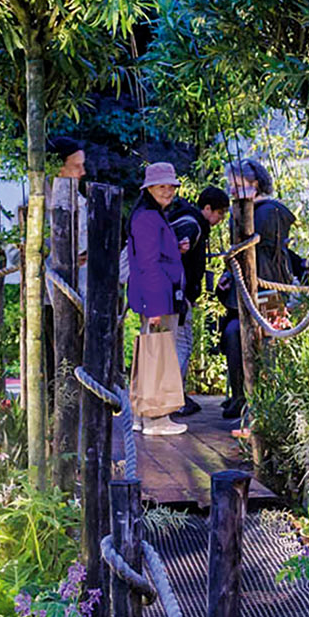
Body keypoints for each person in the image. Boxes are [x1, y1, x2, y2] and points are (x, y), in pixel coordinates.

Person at [215, 158, 297, 425]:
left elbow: (259, 251)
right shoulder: (245, 209)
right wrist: (229, 274)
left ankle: (264, 401)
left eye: (238, 185)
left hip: (268, 289)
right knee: (232, 334)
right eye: (231, 185)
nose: (233, 191)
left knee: (268, 343)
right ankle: (240, 396)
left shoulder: (270, 212)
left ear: (256, 184)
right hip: (245, 290)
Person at [126, 163, 189, 437]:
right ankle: (156, 417)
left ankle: (142, 415)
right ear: (149, 188)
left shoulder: (152, 215)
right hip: (158, 298)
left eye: (171, 186)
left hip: (159, 295)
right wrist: (154, 307)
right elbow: (148, 264)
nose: (168, 191)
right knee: (160, 355)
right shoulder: (148, 218)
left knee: (152, 353)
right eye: (161, 186)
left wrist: (175, 248)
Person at [166, 181, 216, 417]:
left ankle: (173, 394)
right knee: (183, 345)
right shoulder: (192, 225)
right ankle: (175, 397)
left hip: (173, 293)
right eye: (220, 213)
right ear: (208, 209)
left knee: (176, 344)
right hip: (178, 294)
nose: (221, 219)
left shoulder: (183, 219)